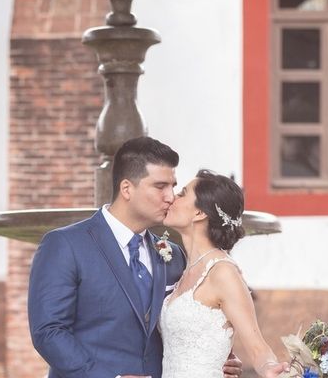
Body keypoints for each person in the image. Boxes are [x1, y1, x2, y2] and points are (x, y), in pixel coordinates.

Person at [28, 137, 243, 378]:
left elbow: (185, 326)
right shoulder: (65, 245)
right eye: (160, 186)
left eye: (173, 186)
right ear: (127, 188)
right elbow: (48, 332)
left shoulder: (174, 256)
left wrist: (217, 358)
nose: (171, 196)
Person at [160, 169, 289, 378]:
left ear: (200, 213)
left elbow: (258, 348)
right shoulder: (183, 269)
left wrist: (268, 367)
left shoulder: (223, 273)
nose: (173, 197)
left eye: (182, 193)